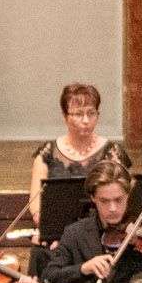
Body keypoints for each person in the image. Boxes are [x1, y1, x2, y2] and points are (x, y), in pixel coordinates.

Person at [28, 81, 119, 210]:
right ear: (65, 116)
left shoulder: (113, 152)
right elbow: (36, 206)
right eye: (78, 114)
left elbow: (122, 201)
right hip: (57, 226)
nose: (86, 120)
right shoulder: (46, 154)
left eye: (91, 113)